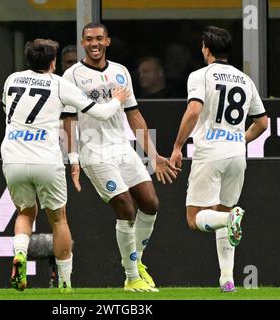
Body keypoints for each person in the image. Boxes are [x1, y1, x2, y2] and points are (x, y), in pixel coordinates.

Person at [1, 38, 130, 293]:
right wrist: (117, 99)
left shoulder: (11, 80)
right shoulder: (60, 84)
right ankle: (65, 283)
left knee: (25, 212)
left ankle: (19, 254)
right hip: (46, 159)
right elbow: (102, 113)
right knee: (59, 219)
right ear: (52, 62)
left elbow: (7, 112)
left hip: (13, 156)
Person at [62, 22, 179, 292]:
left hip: (122, 147)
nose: (94, 43)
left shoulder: (121, 72)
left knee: (150, 203)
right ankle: (131, 276)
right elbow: (68, 119)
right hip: (94, 152)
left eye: (99, 39)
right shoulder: (72, 75)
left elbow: (134, 115)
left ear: (108, 42)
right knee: (126, 208)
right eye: (89, 39)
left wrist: (153, 155)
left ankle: (136, 262)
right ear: (83, 43)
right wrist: (73, 157)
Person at [169, 26, 268, 292]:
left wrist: (178, 146)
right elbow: (262, 122)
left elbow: (193, 110)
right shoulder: (245, 80)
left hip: (210, 153)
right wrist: (240, 140)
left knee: (196, 218)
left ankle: (229, 220)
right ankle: (227, 279)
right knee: (224, 212)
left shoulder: (200, 75)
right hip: (237, 155)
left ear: (206, 48)